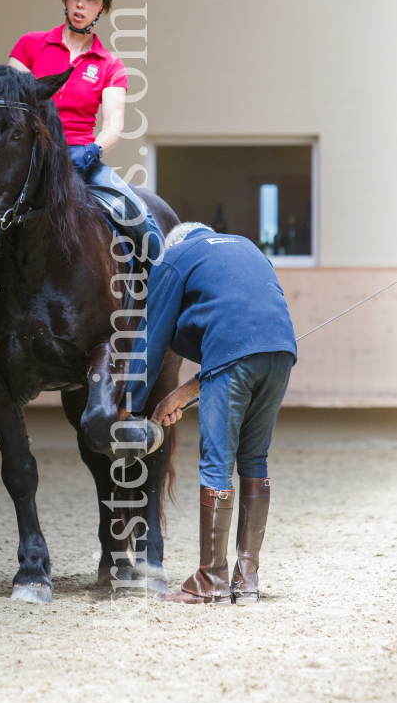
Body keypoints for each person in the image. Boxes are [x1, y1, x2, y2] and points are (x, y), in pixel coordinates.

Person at [0, 0, 163, 369]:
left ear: (102, 9)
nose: (80, 5)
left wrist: (91, 150)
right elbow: (6, 104)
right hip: (32, 161)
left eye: (90, 0)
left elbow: (115, 127)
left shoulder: (109, 66)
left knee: (139, 220)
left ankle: (145, 326)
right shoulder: (32, 45)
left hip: (80, 159)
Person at [119, 222, 298, 605]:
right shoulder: (246, 245)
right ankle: (245, 581)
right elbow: (239, 329)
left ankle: (210, 580)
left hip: (235, 354)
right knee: (254, 460)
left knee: (216, 463)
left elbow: (153, 339)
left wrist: (131, 405)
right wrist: (182, 393)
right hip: (282, 351)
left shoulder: (174, 257)